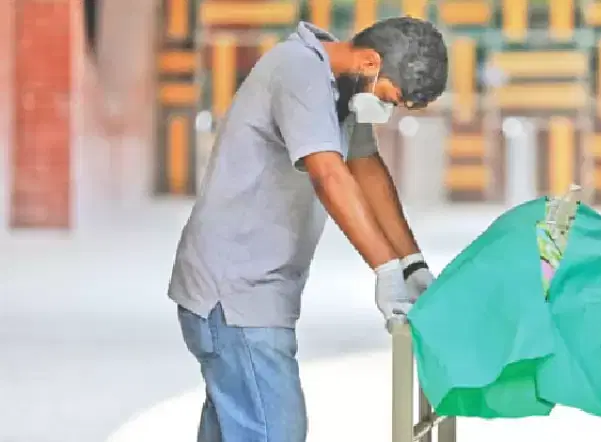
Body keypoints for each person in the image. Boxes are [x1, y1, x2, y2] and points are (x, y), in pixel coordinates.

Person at [167, 17, 449, 442]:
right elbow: (329, 175)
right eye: (390, 100)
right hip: (234, 294)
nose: (387, 112)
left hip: (255, 292)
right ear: (370, 62)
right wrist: (385, 271)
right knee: (274, 432)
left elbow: (367, 169)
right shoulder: (300, 72)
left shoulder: (342, 89)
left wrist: (411, 264)